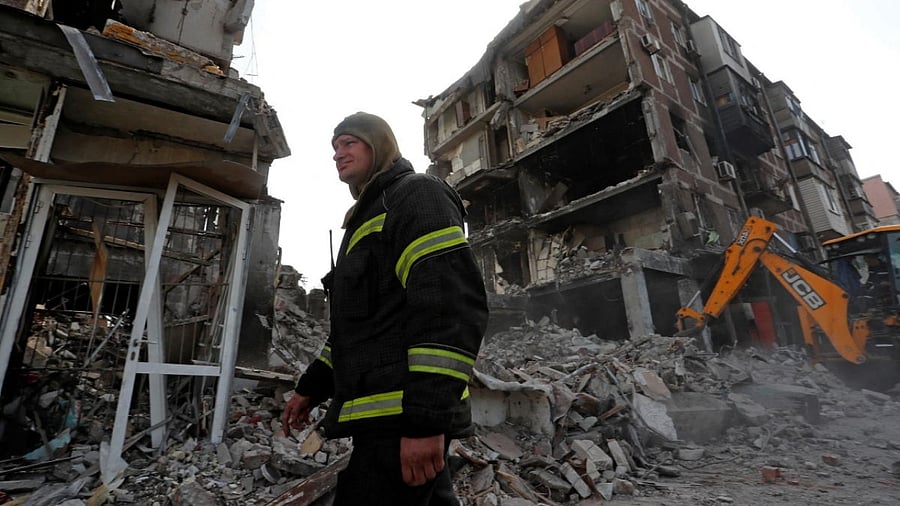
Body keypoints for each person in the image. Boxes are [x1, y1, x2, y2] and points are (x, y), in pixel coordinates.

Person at [282, 112, 489, 505]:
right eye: (334, 147)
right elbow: (359, 329)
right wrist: (311, 388)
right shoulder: (367, 218)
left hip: (402, 422)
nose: (337, 154)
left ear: (378, 146)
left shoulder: (415, 195)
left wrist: (426, 423)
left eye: (348, 143)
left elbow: (449, 306)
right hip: (383, 423)